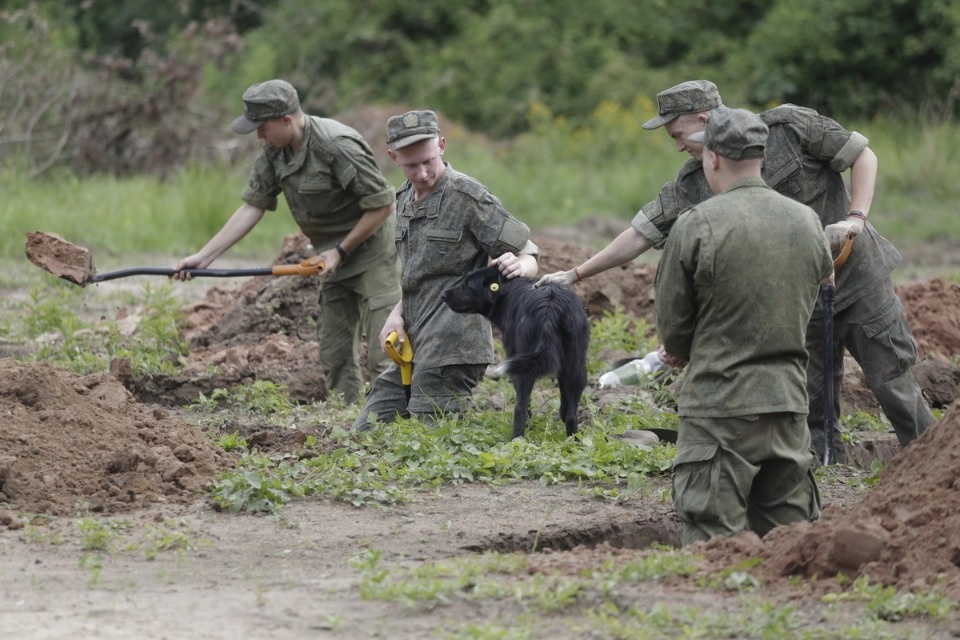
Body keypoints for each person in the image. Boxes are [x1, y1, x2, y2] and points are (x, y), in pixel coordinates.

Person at [536, 80, 936, 462]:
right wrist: (575, 274)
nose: (676, 146)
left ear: (704, 120)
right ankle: (821, 489)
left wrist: (855, 218)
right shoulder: (695, 180)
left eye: (677, 134)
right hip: (798, 303)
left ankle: (932, 472)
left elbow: (862, 155)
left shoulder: (789, 128)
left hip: (858, 280)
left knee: (893, 385)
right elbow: (640, 235)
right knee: (812, 405)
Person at [655, 107, 833, 546]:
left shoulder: (696, 224)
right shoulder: (807, 221)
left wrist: (682, 348)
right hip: (788, 407)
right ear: (761, 155)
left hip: (719, 407)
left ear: (711, 157)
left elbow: (674, 328)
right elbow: (812, 300)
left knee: (712, 545)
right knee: (792, 545)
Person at [173, 79, 401, 403]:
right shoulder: (274, 151)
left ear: (286, 120)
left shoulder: (336, 145)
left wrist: (340, 250)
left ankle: (394, 424)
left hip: (374, 251)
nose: (258, 136)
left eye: (262, 127)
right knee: (334, 349)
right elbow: (253, 206)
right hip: (331, 256)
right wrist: (204, 256)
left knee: (385, 346)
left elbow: (382, 205)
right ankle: (350, 421)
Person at [352, 109, 540, 429]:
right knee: (366, 429)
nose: (423, 173)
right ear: (393, 157)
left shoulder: (468, 196)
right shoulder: (403, 200)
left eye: (428, 161)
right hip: (416, 339)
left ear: (441, 144)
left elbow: (529, 253)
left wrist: (519, 265)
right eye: (412, 165)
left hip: (456, 345)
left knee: (432, 434)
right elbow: (418, 274)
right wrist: (397, 313)